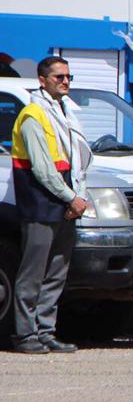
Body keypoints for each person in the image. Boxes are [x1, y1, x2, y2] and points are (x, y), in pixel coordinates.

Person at [9, 56, 90, 354]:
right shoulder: (33, 115)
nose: (66, 81)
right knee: (32, 273)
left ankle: (45, 331)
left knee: (57, 272)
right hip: (41, 204)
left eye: (69, 76)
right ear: (42, 80)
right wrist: (72, 197)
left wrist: (76, 197)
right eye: (59, 77)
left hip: (64, 203)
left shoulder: (65, 112)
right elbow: (43, 170)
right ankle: (24, 334)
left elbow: (77, 159)